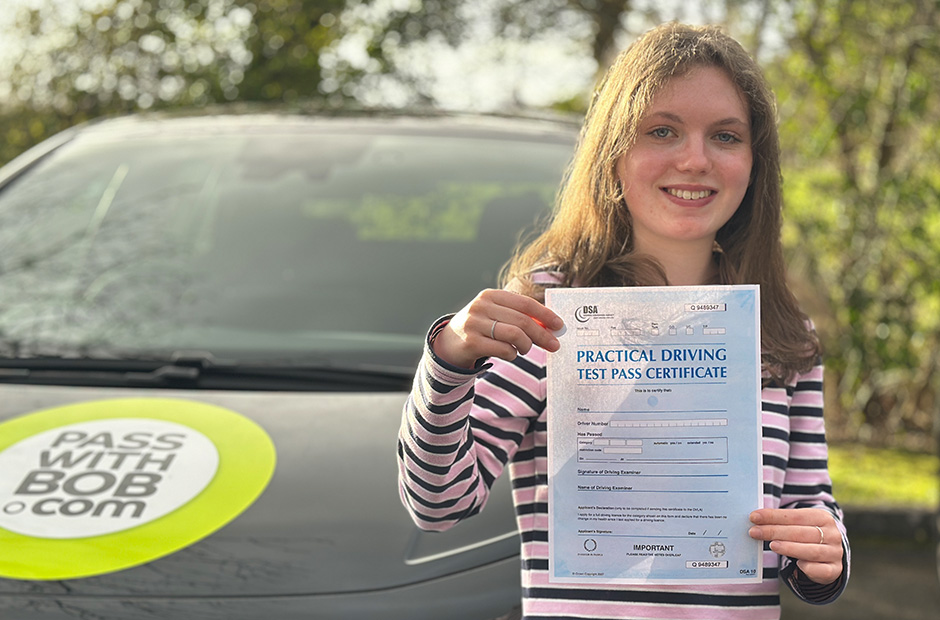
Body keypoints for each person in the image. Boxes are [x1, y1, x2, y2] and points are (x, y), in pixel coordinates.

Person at [397, 21, 849, 620]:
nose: (695, 159)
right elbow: (438, 504)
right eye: (662, 131)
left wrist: (824, 551)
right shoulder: (547, 313)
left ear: (753, 163)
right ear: (613, 154)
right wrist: (448, 362)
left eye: (725, 136)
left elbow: (809, 508)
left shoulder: (784, 333)